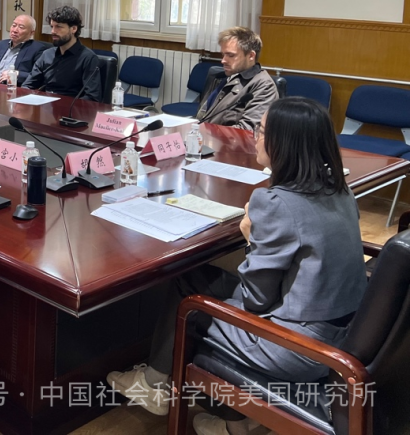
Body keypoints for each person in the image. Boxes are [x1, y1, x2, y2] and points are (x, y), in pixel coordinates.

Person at [107, 97, 367, 435]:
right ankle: (221, 417)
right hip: (345, 333)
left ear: (283, 143)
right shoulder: (340, 190)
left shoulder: (276, 203)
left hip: (296, 347)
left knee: (192, 309)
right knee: (194, 277)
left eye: (262, 131)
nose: (256, 137)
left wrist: (251, 239)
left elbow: (256, 300)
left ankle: (168, 391)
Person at [196, 27, 278, 132]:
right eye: (223, 55)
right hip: (203, 137)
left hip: (223, 141)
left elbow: (247, 131)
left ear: (251, 56)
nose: (223, 61)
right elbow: (203, 116)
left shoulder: (264, 86)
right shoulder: (222, 77)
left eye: (230, 55)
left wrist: (207, 133)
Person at [22, 6, 101, 99]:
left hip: (71, 105)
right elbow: (28, 85)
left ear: (73, 29)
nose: (53, 31)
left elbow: (92, 97)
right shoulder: (47, 55)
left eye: (58, 27)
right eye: (52, 27)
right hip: (45, 103)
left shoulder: (88, 58)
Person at [0, 14, 44, 85]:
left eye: (21, 27)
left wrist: (15, 74)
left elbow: (38, 76)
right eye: (14, 25)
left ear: (31, 33)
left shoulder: (37, 49)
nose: (15, 30)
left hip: (12, 88)